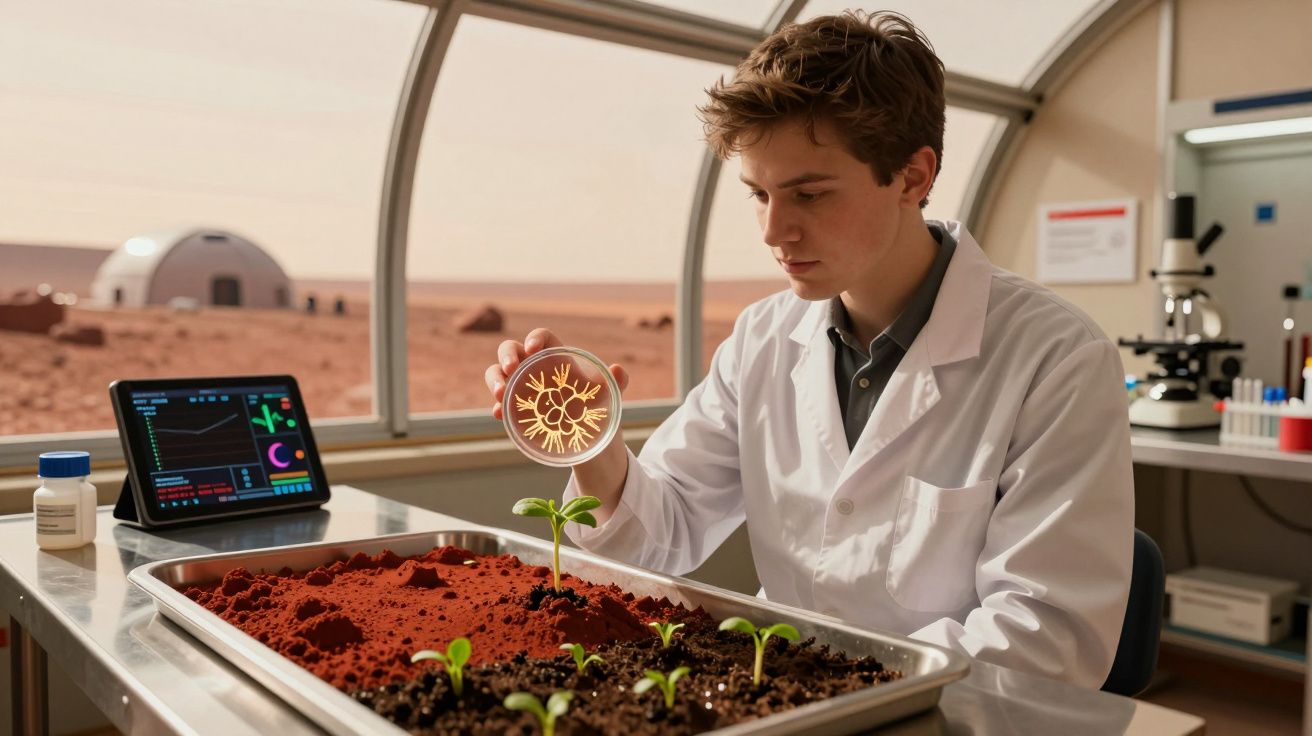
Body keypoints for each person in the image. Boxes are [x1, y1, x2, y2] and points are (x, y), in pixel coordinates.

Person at [484, 11, 1132, 689]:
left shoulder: (1056, 358)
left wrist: (834, 691)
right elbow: (659, 533)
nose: (773, 230)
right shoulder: (762, 338)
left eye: (809, 194)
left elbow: (1044, 634)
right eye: (759, 194)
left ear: (913, 177)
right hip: (782, 695)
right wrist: (594, 444)